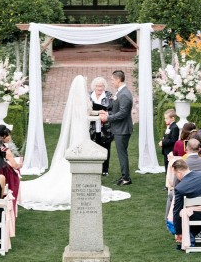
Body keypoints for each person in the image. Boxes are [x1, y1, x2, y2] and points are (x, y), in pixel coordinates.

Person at [18, 75, 133, 211]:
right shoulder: (82, 98)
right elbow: (83, 115)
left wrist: (99, 113)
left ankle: (90, 171)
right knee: (79, 150)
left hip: (82, 128)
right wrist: (102, 116)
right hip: (81, 130)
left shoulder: (79, 98)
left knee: (81, 150)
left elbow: (86, 111)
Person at [171, 158, 201, 249]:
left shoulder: (180, 188)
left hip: (195, 215)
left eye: (175, 174)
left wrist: (178, 232)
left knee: (180, 210)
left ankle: (187, 235)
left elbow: (176, 211)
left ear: (179, 173)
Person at [100, 69, 133, 186]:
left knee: (122, 153)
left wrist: (108, 118)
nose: (112, 82)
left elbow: (123, 113)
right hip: (120, 128)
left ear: (118, 79)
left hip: (123, 129)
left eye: (113, 79)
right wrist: (107, 113)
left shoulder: (124, 94)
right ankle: (124, 175)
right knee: (121, 153)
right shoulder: (120, 92)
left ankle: (126, 178)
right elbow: (116, 109)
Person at [88, 76, 114, 176]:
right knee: (93, 147)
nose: (100, 88)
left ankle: (105, 169)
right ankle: (93, 168)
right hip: (92, 127)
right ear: (94, 87)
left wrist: (106, 114)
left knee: (106, 147)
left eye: (102, 86)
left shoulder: (109, 95)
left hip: (105, 127)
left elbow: (112, 110)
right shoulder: (89, 96)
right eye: (98, 86)